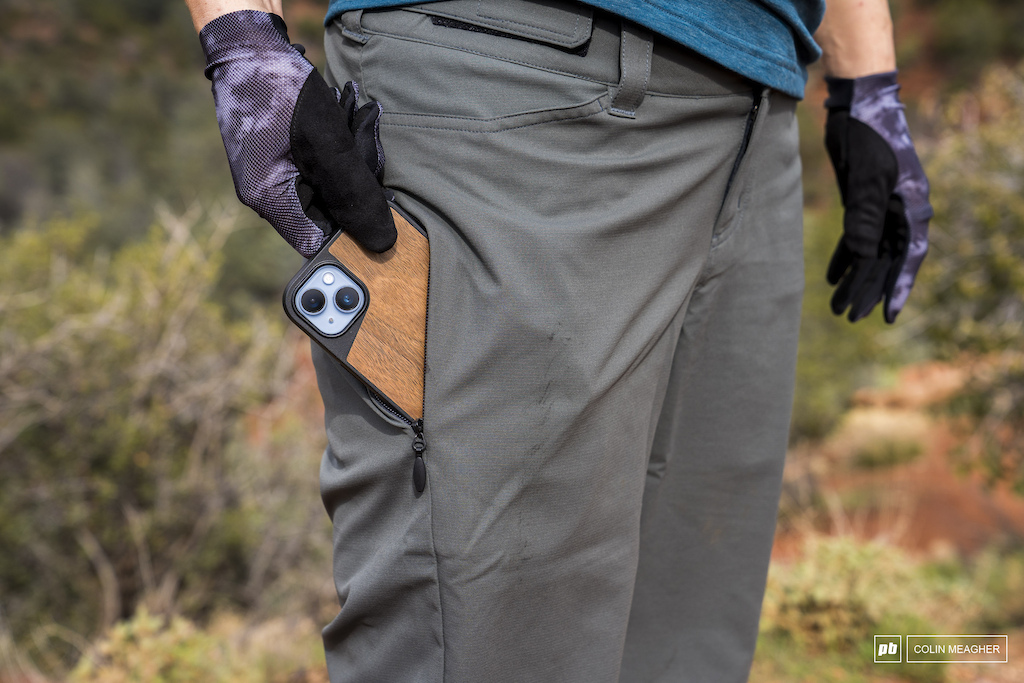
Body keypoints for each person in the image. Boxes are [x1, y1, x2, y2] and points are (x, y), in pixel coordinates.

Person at [184, 0, 932, 680]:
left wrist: (866, 80)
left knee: (688, 642)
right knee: (484, 642)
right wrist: (242, 38)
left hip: (759, 97)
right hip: (510, 66)